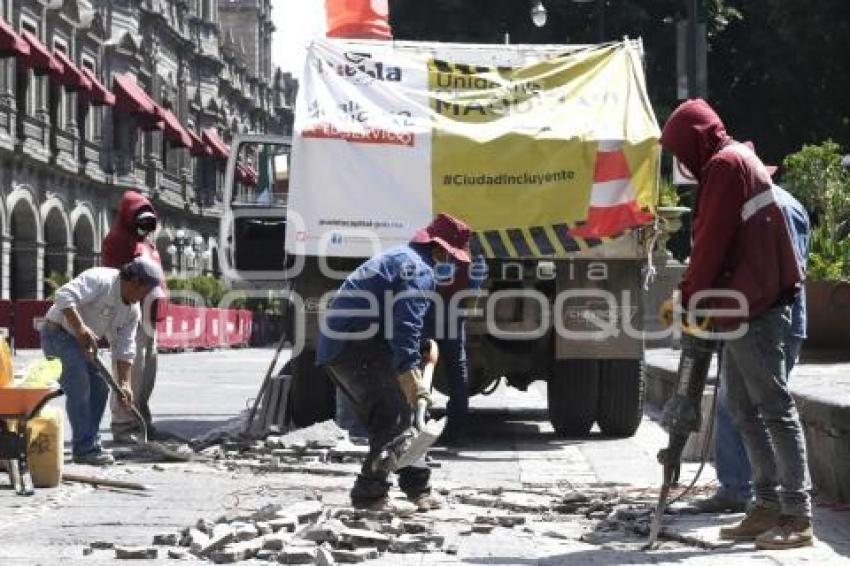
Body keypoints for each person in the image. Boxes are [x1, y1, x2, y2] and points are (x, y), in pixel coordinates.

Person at [661, 99, 812, 550]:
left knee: (773, 408)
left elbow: (710, 241)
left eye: (680, 149)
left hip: (757, 307)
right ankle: (764, 505)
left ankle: (797, 514)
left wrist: (689, 297)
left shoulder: (726, 166)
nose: (681, 161)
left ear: (696, 138)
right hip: (741, 305)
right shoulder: (731, 162)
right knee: (743, 410)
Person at [316, 213, 472, 513]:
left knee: (396, 418)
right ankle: (369, 494)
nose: (451, 263)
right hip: (353, 347)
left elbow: (396, 320)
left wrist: (420, 348)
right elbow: (404, 329)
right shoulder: (420, 271)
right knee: (394, 419)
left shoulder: (404, 258)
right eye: (452, 256)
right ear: (440, 249)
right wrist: (410, 375)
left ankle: (418, 489)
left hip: (345, 345)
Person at [695, 183, 810, 514]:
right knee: (743, 407)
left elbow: (773, 271)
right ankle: (759, 496)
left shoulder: (769, 208)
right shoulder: (784, 204)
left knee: (759, 408)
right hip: (769, 318)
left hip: (763, 319)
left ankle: (754, 494)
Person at [39, 257, 165, 466]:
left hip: (83, 346)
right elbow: (63, 295)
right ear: (135, 282)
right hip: (57, 335)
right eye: (145, 291)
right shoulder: (101, 279)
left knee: (100, 389)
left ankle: (90, 443)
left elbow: (124, 349)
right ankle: (85, 448)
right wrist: (79, 328)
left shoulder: (132, 312)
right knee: (80, 387)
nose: (145, 298)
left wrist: (124, 384)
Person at [102, 190, 168, 443]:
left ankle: (142, 421)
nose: (146, 226)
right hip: (129, 313)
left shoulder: (148, 241)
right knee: (129, 371)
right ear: (129, 217)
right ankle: (123, 425)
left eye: (149, 221)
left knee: (147, 371)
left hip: (150, 318)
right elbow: (116, 277)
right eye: (141, 220)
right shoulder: (117, 240)